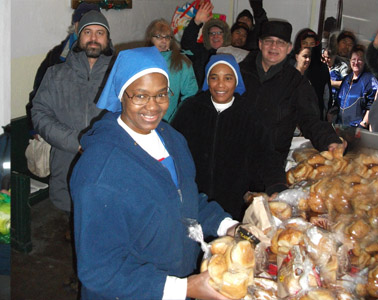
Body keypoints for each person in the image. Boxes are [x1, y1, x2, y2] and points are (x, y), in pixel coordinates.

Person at [70, 46, 238, 300]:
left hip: (178, 279)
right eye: (140, 96)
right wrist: (184, 288)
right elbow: (99, 270)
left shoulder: (171, 138)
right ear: (121, 95)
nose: (153, 106)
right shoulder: (99, 170)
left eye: (161, 94)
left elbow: (185, 199)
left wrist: (228, 226)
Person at [172, 54, 287, 220]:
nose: (220, 84)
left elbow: (265, 154)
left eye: (227, 78)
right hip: (194, 199)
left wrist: (276, 184)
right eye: (214, 78)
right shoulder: (190, 109)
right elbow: (174, 149)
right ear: (207, 80)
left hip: (234, 202)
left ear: (236, 81)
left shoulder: (250, 114)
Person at [31, 10, 114, 214]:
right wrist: (75, 142)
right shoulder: (55, 74)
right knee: (71, 221)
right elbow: (39, 114)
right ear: (79, 36)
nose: (93, 38)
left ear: (108, 38)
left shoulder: (119, 75)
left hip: (108, 166)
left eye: (100, 32)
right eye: (88, 32)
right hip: (66, 166)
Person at [240, 20, 344, 166]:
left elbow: (310, 119)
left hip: (270, 165)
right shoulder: (238, 73)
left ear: (289, 48)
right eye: (269, 41)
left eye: (280, 43)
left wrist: (329, 140)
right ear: (260, 44)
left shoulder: (296, 83)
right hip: (235, 157)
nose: (274, 46)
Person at [26, 2, 100, 138]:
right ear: (75, 24)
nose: (87, 27)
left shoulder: (109, 60)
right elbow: (38, 96)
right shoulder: (56, 57)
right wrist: (35, 129)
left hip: (97, 134)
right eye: (82, 22)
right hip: (60, 134)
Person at [144, 18, 198, 122]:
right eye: (159, 36)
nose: (163, 41)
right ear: (151, 38)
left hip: (169, 120)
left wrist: (177, 116)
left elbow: (191, 94)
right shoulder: (141, 58)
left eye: (167, 37)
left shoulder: (181, 61)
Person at [180, 1, 231, 86]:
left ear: (225, 35)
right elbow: (187, 45)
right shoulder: (201, 52)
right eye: (212, 33)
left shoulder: (233, 53)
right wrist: (196, 22)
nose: (215, 36)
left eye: (219, 33)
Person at [291, 28, 333, 120]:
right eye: (305, 43)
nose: (308, 47)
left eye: (312, 44)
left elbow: (327, 96)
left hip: (314, 118)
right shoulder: (289, 66)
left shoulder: (322, 68)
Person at [336, 45, 378, 128]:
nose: (356, 62)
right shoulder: (346, 79)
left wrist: (364, 123)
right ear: (350, 61)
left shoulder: (369, 79)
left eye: (359, 60)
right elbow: (338, 102)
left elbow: (373, 105)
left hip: (357, 129)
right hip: (341, 127)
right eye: (353, 59)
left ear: (364, 62)